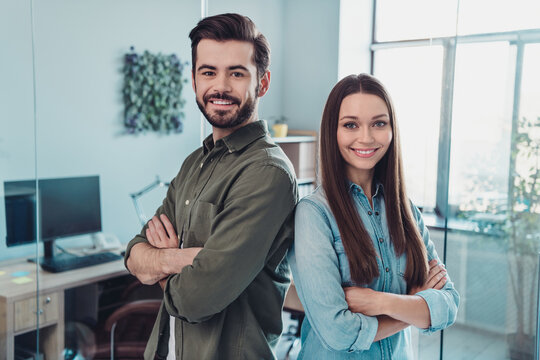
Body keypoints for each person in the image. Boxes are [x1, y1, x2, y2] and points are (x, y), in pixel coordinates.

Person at [125, 13, 297, 360]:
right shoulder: (194, 162)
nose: (220, 86)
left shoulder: (267, 173)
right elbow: (133, 256)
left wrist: (161, 263)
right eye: (208, 72)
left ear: (262, 83)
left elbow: (193, 299)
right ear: (193, 80)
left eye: (236, 73)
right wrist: (187, 258)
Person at [288, 74, 459, 359]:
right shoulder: (314, 215)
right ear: (333, 131)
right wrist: (415, 308)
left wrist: (377, 301)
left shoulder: (406, 210)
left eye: (379, 123)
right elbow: (337, 333)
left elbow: (449, 304)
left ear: (392, 130)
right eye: (350, 125)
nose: (366, 137)